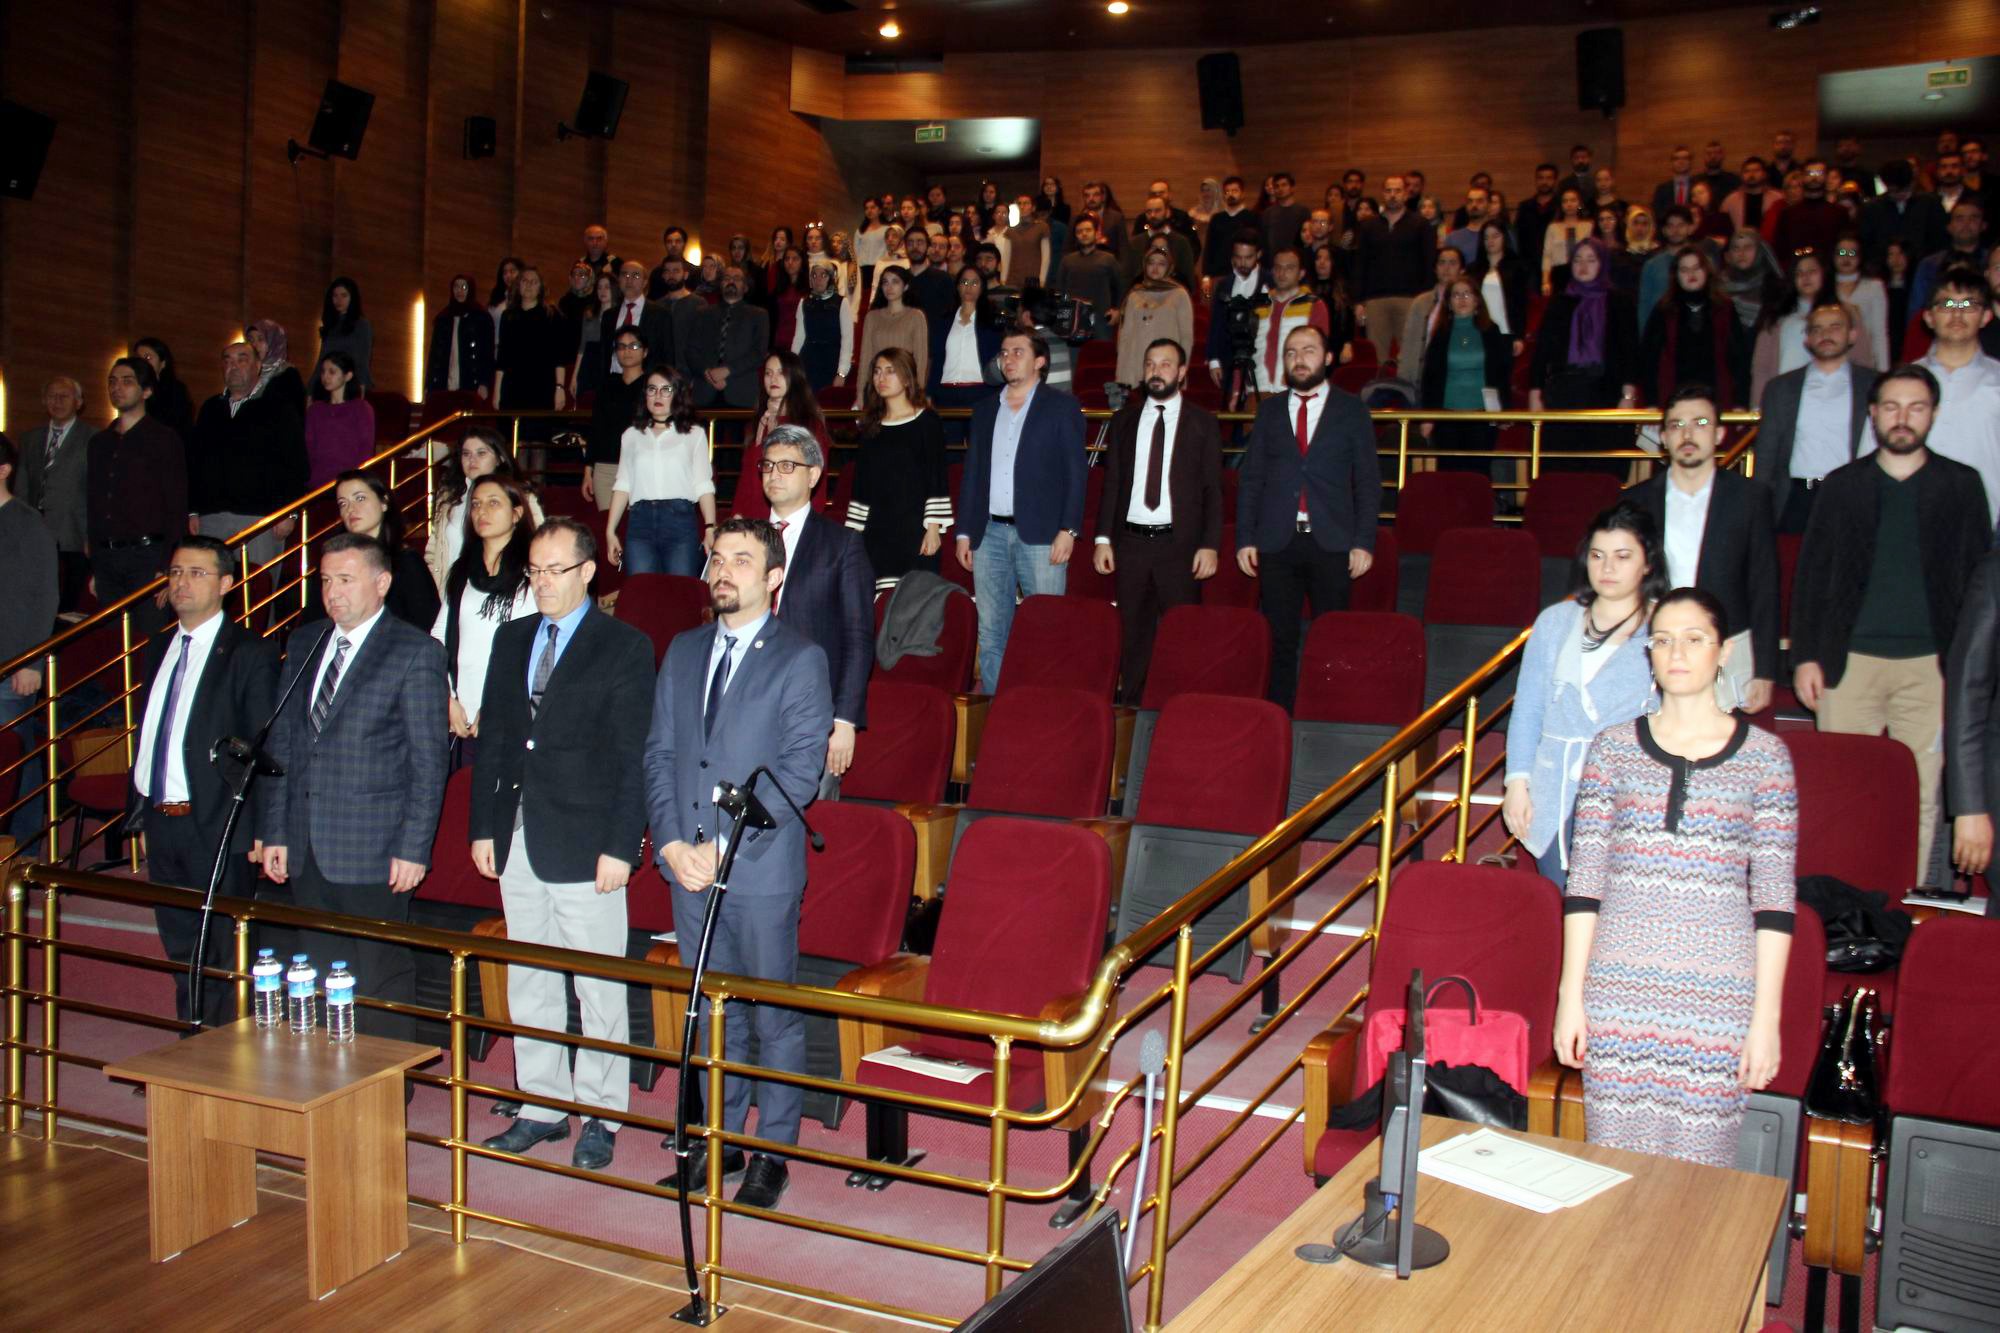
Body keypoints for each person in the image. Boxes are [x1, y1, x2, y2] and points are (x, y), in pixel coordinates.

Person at [1556, 587, 1797, 1167]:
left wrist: (1766, 1020)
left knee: (1700, 1178)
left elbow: (1774, 898)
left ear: (1723, 652)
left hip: (1718, 998)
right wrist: (1571, 995)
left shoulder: (1767, 757)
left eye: (1694, 639)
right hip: (1618, 989)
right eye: (1663, 640)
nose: (1677, 653)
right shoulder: (1612, 750)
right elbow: (1584, 883)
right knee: (1612, 1170)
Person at [645, 516, 833, 1211]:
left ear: (774, 576)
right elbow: (661, 753)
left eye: (743, 560)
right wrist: (669, 843)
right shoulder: (684, 648)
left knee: (772, 1015)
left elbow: (798, 771)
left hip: (756, 867)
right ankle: (717, 1143)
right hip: (687, 868)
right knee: (711, 1010)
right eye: (717, 558)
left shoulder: (800, 657)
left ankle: (773, 1153)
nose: (724, 570)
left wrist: (722, 844)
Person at [471, 516, 655, 1169]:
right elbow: (494, 737)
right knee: (531, 979)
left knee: (598, 987)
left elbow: (634, 755)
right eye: (535, 570)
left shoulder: (625, 645)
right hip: (518, 833)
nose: (543, 581)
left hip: (587, 842)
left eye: (556, 568)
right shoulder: (512, 637)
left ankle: (602, 1114)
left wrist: (622, 843)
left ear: (587, 571)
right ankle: (543, 1105)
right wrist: (483, 827)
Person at [1792, 365, 1992, 886]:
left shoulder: (1963, 486)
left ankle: (1903, 902)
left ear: (1934, 414)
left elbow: (1977, 584)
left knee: (1922, 793)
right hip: (1847, 663)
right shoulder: (1841, 486)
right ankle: (1840, 909)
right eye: (1892, 407)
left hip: (1933, 668)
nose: (1903, 419)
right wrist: (1806, 656)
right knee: (1842, 790)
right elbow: (1811, 577)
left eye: (1916, 407)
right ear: (1873, 413)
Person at [260, 530, 451, 1044]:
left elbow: (428, 762)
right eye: (325, 580)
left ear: (382, 582)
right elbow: (282, 744)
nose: (333, 592)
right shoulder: (304, 642)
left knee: (378, 972)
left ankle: (387, 1091)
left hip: (376, 846)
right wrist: (275, 830)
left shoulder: (414, 651)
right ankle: (329, 1081)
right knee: (320, 970)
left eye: (346, 579)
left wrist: (415, 847)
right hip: (306, 841)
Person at [124, 535, 279, 1027]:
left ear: (227, 584)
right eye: (175, 573)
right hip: (162, 816)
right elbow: (154, 731)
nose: (182, 583)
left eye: (196, 573)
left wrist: (261, 825)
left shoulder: (249, 651)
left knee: (222, 948)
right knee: (179, 941)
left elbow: (260, 746)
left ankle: (222, 1053)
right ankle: (191, 1040)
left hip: (218, 821)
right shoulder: (158, 647)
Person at [1503, 503, 1666, 886]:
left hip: (1634, 795)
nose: (1607, 568)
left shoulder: (1667, 624)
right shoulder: (1556, 621)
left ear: (1647, 563)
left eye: (1622, 557)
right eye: (1598, 556)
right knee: (1565, 907)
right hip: (1557, 788)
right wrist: (1516, 783)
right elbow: (1528, 709)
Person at [1235, 325, 1381, 710]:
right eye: (1291, 352)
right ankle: (1278, 718)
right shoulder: (1268, 410)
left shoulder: (1352, 410)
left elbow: (1367, 482)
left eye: (1309, 350)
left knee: (1332, 636)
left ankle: (1329, 713)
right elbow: (1251, 479)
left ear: (1328, 357)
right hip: (1276, 541)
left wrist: (1364, 541)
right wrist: (1245, 538)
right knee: (1279, 638)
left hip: (1332, 541)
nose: (1300, 359)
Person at [1626, 388, 1779, 715]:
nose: (1688, 434)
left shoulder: (1750, 498)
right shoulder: (1636, 501)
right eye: (1677, 425)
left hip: (1728, 644)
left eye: (1700, 422)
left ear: (1720, 433)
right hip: (1656, 643)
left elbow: (1764, 585)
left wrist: (1765, 669)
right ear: (1664, 437)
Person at [1092, 339, 1222, 704]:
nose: (1156, 370)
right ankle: (1133, 708)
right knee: (1133, 634)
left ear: (1181, 373)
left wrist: (1210, 545)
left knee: (1184, 633)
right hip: (1131, 544)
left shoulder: (1203, 423)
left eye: (1166, 364)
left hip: (1179, 547)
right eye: (1150, 363)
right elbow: (1112, 484)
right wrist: (1103, 538)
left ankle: (1183, 709)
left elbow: (1214, 490)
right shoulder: (1124, 421)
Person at [956, 331, 1087, 692]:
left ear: (1040, 361)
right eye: (1004, 352)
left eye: (1018, 351)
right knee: (992, 631)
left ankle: (1043, 710)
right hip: (989, 534)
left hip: (1043, 535)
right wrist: (965, 531)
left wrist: (1069, 530)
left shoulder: (1062, 407)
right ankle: (1000, 713)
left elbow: (1077, 474)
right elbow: (973, 475)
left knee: (1047, 627)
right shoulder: (984, 411)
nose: (1008, 358)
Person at [761, 425, 873, 786]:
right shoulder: (744, 540)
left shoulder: (841, 545)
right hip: (749, 703)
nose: (774, 474)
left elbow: (858, 638)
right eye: (768, 465)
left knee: (806, 823)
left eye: (786, 466)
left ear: (813, 474)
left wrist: (844, 720)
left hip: (811, 711)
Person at [1753, 302, 1880, 533]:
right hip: (1796, 499)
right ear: (1807, 339)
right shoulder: (1781, 388)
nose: (1826, 334)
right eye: (1817, 329)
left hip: (1850, 496)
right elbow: (1765, 456)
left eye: (1835, 327)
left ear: (1852, 335)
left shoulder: (1874, 385)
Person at [432, 474, 537, 752]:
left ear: (516, 514)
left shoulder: (533, 574)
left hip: (511, 710)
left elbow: (534, 649)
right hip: (461, 713)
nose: (481, 511)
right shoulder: (462, 572)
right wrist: (447, 697)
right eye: (476, 504)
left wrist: (495, 705)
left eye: (493, 503)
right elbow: (438, 637)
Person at [187, 341, 307, 580]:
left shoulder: (278, 407)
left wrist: (289, 513)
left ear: (258, 366)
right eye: (228, 360)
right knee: (210, 591)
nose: (234, 366)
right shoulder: (210, 408)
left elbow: (295, 463)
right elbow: (195, 461)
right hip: (212, 517)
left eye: (242, 359)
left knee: (258, 597)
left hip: (260, 518)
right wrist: (193, 511)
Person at [88, 357, 188, 634]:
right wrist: (95, 564)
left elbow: (176, 507)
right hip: (108, 557)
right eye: (112, 381)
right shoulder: (99, 443)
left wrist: (167, 566)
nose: (117, 387)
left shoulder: (164, 439)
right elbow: (94, 506)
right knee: (112, 645)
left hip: (147, 556)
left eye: (127, 381)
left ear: (147, 391)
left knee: (149, 641)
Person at [1528, 239, 1638, 474]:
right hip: (1564, 390)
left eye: (1591, 260)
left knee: (1603, 463)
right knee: (1562, 463)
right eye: (1577, 260)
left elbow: (1630, 350)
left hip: (1605, 389)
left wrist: (1627, 394)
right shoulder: (1560, 301)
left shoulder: (1619, 301)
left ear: (1602, 263)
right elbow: (1543, 349)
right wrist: (1536, 391)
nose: (1583, 266)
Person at [0, 434, 60, 850]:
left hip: (12, 663)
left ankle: (25, 850)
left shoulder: (27, 522)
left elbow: (45, 596)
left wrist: (33, 662)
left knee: (16, 759)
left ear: (3, 469)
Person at [301, 470, 440, 632]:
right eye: (343, 503)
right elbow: (312, 620)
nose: (350, 509)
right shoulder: (333, 559)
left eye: (360, 498)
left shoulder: (406, 561)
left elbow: (426, 623)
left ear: (384, 502)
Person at [608, 367, 714, 577]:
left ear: (677, 395)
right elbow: (623, 484)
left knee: (680, 595)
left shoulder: (694, 434)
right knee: (641, 594)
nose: (658, 395)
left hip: (680, 521)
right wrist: (610, 531)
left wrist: (710, 526)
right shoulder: (631, 435)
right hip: (640, 522)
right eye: (652, 389)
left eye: (666, 389)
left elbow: (703, 483)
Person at [1916, 265, 2000, 523]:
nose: (1956, 313)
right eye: (1946, 304)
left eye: (1969, 304)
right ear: (1929, 317)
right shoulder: (1904, 380)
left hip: (1986, 521)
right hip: (1914, 516)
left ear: (1986, 316)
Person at [426, 427, 544, 592]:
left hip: (502, 589)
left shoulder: (521, 495)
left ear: (500, 458)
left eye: (481, 453)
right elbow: (433, 550)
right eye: (466, 454)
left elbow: (539, 544)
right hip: (451, 591)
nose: (472, 460)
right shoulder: (449, 497)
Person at [1418, 277, 1511, 475]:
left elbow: (1502, 372)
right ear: (1449, 302)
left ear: (1477, 300)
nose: (1462, 299)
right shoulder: (1441, 333)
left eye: (1467, 293)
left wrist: (1504, 411)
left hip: (1483, 414)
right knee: (1450, 473)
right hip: (1447, 414)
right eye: (1456, 295)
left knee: (1479, 472)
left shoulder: (1491, 330)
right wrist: (1427, 416)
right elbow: (1430, 377)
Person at [18, 376, 95, 610]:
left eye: (64, 396)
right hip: (35, 533)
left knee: (67, 604)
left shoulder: (93, 438)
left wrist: (91, 534)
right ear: (44, 400)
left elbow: (96, 491)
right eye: (52, 396)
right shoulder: (30, 438)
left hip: (73, 534)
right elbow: (22, 485)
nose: (57, 401)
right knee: (35, 598)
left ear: (79, 402)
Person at [1640, 246, 1743, 409]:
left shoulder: (1725, 309)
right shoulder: (1664, 310)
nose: (1691, 274)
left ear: (1707, 271)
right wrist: (1651, 402)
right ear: (1676, 276)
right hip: (1672, 398)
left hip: (1718, 398)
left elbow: (1739, 359)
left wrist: (1740, 402)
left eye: (1697, 268)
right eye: (1684, 270)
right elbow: (1649, 360)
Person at [1354, 175, 1435, 361]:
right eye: (1388, 191)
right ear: (1383, 194)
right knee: (1377, 357)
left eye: (1397, 191)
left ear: (1406, 194)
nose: (1393, 195)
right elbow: (1360, 264)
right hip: (1375, 300)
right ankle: (1380, 390)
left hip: (1410, 299)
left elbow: (1429, 263)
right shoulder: (1368, 226)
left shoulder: (1420, 225)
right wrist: (1358, 301)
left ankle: (1412, 391)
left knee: (1411, 355)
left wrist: (1426, 299)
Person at [683, 267, 770, 410]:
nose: (731, 281)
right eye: (726, 278)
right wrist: (707, 373)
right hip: (705, 390)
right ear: (720, 284)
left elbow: (758, 353)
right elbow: (691, 350)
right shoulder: (702, 313)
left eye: (736, 278)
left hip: (741, 391)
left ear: (746, 287)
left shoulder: (758, 315)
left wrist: (727, 370)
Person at [583, 325, 649, 511]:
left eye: (633, 346)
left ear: (645, 352)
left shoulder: (652, 386)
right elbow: (596, 427)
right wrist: (588, 470)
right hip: (605, 466)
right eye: (621, 346)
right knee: (607, 527)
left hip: (640, 466)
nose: (627, 351)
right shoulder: (607, 385)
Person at [494, 266, 572, 415]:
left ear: (541, 288)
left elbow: (559, 357)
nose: (529, 285)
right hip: (512, 386)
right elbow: (502, 357)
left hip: (542, 386)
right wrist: (497, 392)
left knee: (537, 434)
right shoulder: (508, 316)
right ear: (518, 285)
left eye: (534, 282)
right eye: (524, 281)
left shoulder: (552, 315)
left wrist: (560, 388)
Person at [1115, 247, 1194, 388]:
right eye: (1151, 263)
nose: (1155, 268)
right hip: (1138, 362)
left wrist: (1181, 368)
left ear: (1169, 267)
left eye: (1161, 264)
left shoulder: (1179, 294)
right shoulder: (1134, 294)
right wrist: (1123, 373)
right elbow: (1125, 337)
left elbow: (1186, 337)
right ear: (1145, 266)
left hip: (1167, 363)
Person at [1397, 247, 1467, 387]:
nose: (1446, 268)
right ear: (1435, 269)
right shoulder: (1420, 302)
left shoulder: (1467, 302)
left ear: (1462, 270)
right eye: (1442, 263)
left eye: (1452, 263)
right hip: (1423, 375)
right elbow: (1408, 344)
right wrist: (1404, 379)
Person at [304, 352, 376, 488]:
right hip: (319, 481)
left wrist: (357, 480)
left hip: (350, 480)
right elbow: (309, 449)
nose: (325, 376)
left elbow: (366, 449)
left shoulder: (361, 408)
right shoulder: (315, 410)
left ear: (348, 376)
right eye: (323, 372)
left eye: (332, 372)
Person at [857, 264, 930, 389]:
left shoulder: (916, 316)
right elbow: (865, 359)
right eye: (885, 282)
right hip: (878, 384)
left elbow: (921, 360)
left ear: (905, 286)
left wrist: (918, 391)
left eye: (895, 282)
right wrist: (860, 392)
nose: (889, 287)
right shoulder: (872, 317)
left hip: (904, 386)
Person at [1054, 215, 1125, 342]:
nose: (1084, 234)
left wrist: (1117, 310)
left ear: (1096, 233)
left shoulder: (1108, 259)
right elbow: (1060, 291)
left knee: (1101, 359)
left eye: (1088, 230)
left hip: (1102, 318)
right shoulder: (1067, 261)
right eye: (1079, 231)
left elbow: (1121, 287)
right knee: (1074, 360)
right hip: (1074, 320)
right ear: (1075, 236)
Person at [425, 274, 495, 400]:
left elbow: (487, 354)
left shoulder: (481, 318)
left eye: (464, 287)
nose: (459, 291)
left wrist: (484, 383)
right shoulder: (443, 318)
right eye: (456, 287)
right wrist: (429, 385)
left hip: (472, 383)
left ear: (470, 290)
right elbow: (434, 355)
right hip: (444, 382)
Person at [791, 260, 856, 392]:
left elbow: (847, 340)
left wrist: (842, 373)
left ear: (831, 278)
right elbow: (798, 338)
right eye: (814, 275)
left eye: (823, 275)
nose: (818, 279)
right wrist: (791, 366)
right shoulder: (804, 303)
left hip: (831, 360)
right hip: (809, 360)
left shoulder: (841, 303)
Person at [1831, 234, 1891, 369]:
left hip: (1865, 357)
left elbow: (1879, 332)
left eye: (1852, 253)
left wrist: (1883, 370)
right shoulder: (1825, 288)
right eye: (1841, 253)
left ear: (1860, 257)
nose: (1846, 258)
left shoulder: (1874, 287)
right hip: (1832, 358)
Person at [1470, 221, 1530, 354]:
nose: (1490, 241)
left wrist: (1519, 336)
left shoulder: (1517, 267)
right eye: (1486, 237)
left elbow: (1521, 305)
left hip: (1506, 331)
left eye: (1495, 236)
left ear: (1504, 237)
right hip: (1479, 331)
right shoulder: (1474, 269)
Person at [314, 277, 374, 392]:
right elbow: (321, 360)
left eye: (344, 295)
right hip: (327, 384)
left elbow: (363, 361)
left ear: (352, 298)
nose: (339, 300)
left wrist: (360, 390)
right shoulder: (329, 325)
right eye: (335, 296)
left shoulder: (362, 325)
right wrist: (311, 389)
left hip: (351, 384)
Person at [245, 319, 307, 422]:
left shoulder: (287, 374)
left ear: (274, 342)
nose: (254, 345)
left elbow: (293, 414)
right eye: (251, 340)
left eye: (260, 339)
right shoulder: (246, 372)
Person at [1540, 185, 1593, 295]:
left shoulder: (1588, 226)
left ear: (1579, 203)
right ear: (1561, 205)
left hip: (1582, 271)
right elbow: (1547, 255)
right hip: (1560, 273)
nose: (1569, 204)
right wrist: (1545, 281)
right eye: (1565, 201)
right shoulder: (1553, 227)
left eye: (1573, 200)